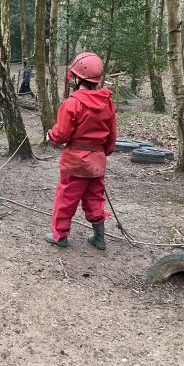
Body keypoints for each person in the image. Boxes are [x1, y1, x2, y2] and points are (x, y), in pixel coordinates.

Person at [45, 52, 117, 250]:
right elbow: (112, 134)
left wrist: (51, 136)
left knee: (66, 199)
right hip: (97, 162)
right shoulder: (107, 102)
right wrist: (103, 153)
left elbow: (61, 134)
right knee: (95, 198)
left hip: (75, 163)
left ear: (77, 78)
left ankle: (60, 236)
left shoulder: (72, 103)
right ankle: (99, 237)